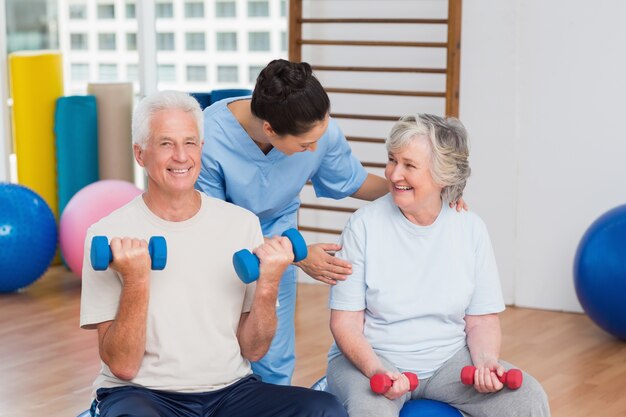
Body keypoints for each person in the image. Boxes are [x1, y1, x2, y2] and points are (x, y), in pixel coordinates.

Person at [196, 59, 467, 385]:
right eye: (305, 144)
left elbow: (355, 182)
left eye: (319, 137)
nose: (314, 148)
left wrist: (431, 190)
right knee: (215, 353)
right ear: (270, 129)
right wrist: (298, 254)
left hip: (280, 243)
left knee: (273, 360)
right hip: (217, 250)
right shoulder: (207, 137)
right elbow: (211, 227)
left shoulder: (318, 131)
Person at [80, 90, 347, 417]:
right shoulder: (107, 235)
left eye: (190, 142)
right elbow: (121, 366)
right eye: (166, 144)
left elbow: (255, 349)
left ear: (201, 149)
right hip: (143, 394)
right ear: (140, 154)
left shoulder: (241, 224)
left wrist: (269, 283)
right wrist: (136, 280)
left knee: (325, 409)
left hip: (230, 392)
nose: (181, 156)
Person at [326, 114, 550, 417]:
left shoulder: (469, 228)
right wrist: (377, 369)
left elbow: (482, 319)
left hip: (447, 363)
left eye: (409, 165)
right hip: (374, 359)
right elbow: (346, 323)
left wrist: (484, 362)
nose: (393, 175)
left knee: (527, 398)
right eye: (392, 160)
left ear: (442, 175)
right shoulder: (363, 226)